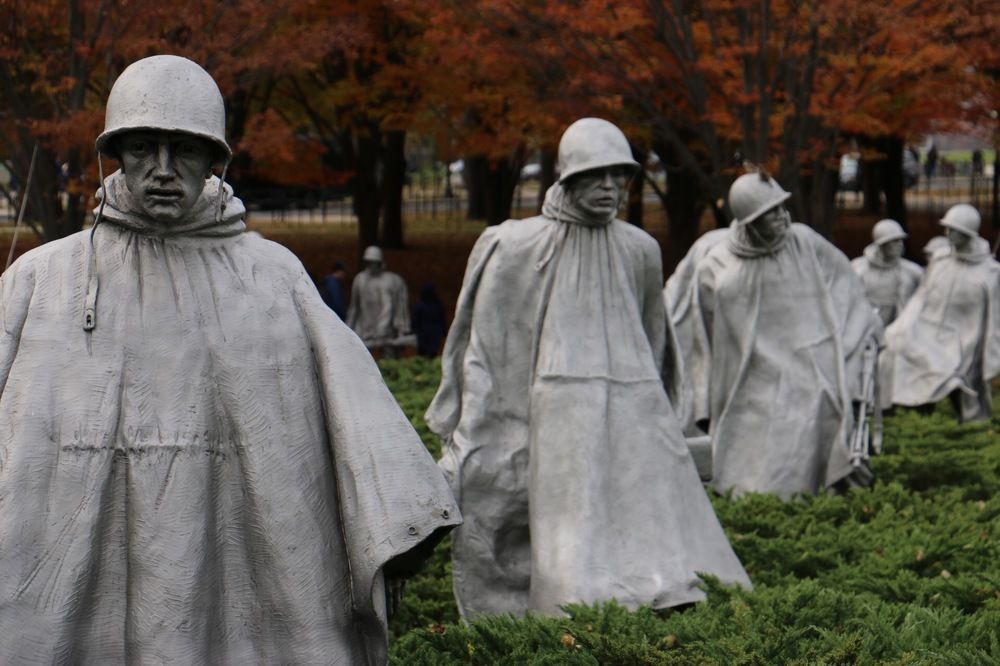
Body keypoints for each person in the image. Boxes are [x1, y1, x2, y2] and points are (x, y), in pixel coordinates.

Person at [0, 55, 459, 664]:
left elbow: (360, 421)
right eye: (142, 147)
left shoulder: (271, 278)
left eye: (184, 150)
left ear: (215, 159)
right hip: (73, 578)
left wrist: (401, 519)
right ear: (116, 152)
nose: (162, 171)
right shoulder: (42, 280)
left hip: (235, 571)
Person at [426, 117, 750, 620]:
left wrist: (662, 413)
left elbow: (654, 337)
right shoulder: (516, 246)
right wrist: (483, 426)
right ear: (567, 178)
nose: (610, 188)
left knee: (653, 523)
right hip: (561, 403)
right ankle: (572, 614)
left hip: (635, 400)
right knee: (572, 531)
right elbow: (490, 348)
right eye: (597, 176)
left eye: (619, 177)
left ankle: (661, 593)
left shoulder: (639, 249)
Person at [674, 172, 881, 499]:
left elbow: (848, 291)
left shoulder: (806, 243)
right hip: (751, 379)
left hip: (813, 370)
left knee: (815, 416)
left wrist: (859, 339)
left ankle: (813, 504)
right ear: (748, 221)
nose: (781, 217)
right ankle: (760, 509)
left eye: (782, 207)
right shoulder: (717, 267)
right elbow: (704, 337)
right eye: (769, 213)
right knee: (752, 459)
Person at [882, 203, 1000, 423]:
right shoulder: (940, 259)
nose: (948, 234)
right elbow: (921, 297)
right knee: (892, 350)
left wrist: (992, 357)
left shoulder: (990, 272)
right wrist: (903, 326)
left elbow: (995, 320)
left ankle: (965, 424)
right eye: (947, 228)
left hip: (962, 341)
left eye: (954, 230)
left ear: (968, 233)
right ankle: (905, 416)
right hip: (928, 331)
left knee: (949, 375)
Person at [851, 219, 924, 326]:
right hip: (867, 327)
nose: (900, 245)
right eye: (895, 241)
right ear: (882, 244)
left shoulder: (912, 271)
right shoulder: (859, 269)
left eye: (901, 240)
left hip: (899, 328)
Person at [347, 246, 411, 359]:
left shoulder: (389, 280)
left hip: (386, 331)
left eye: (375, 262)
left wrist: (400, 328)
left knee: (390, 359)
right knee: (362, 360)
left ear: (380, 262)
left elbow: (393, 306)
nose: (372, 265)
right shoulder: (360, 280)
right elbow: (354, 307)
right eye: (369, 262)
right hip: (365, 328)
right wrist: (347, 328)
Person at [412, 282, 447, 357]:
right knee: (432, 353)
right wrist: (444, 331)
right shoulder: (438, 305)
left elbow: (415, 320)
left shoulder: (420, 306)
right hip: (434, 332)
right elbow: (442, 320)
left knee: (422, 353)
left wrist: (413, 329)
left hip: (423, 332)